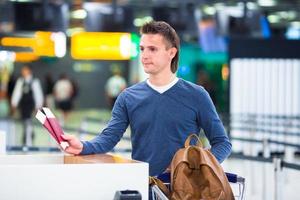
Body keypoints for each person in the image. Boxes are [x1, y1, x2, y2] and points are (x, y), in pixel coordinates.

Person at [62, 21, 232, 177]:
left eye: (153, 49)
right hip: (144, 185)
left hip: (185, 189)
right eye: (142, 48)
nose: (144, 55)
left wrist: (198, 167)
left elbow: (222, 143)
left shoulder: (196, 95)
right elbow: (109, 138)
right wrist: (83, 146)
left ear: (171, 53)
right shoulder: (128, 97)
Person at [11, 65, 44, 146]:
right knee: (24, 122)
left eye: (25, 70)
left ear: (29, 71)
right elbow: (17, 93)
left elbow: (38, 94)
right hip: (23, 105)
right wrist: (14, 103)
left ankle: (28, 141)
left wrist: (38, 106)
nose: (23, 72)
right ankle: (27, 137)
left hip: (31, 105)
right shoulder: (20, 81)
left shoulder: (34, 81)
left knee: (29, 122)